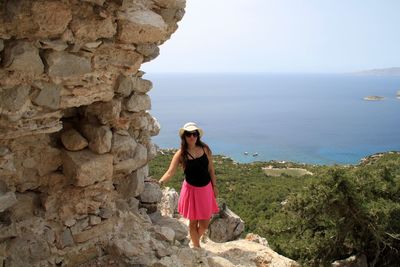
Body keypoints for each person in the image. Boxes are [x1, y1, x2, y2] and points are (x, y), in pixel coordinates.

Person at [158, 122, 219, 248]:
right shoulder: (181, 154)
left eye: (194, 134)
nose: (192, 137)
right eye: (188, 134)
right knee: (193, 222)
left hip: (206, 189)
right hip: (191, 190)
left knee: (204, 224)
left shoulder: (205, 149)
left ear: (198, 136)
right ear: (184, 137)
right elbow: (170, 172)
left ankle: (195, 240)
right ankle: (196, 247)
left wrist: (215, 186)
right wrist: (159, 183)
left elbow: (211, 169)